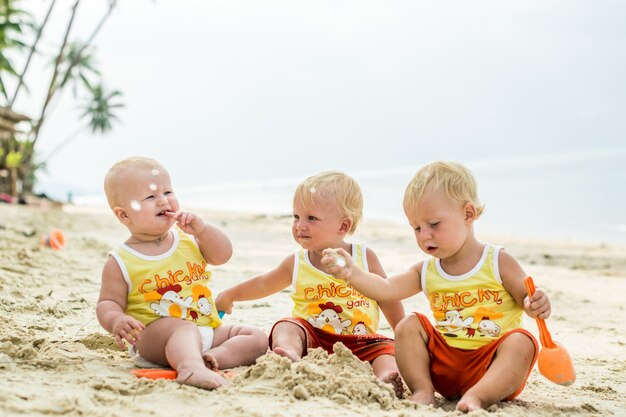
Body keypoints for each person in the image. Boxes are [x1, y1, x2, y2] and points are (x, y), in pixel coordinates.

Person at [321, 161, 550, 412]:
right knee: (409, 324)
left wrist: (535, 303)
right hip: (445, 367)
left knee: (522, 341)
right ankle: (423, 390)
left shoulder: (497, 261)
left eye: (434, 224)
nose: (424, 235)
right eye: (416, 227)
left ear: (468, 214)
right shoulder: (427, 270)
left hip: (491, 368)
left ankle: (477, 398)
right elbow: (386, 289)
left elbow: (526, 300)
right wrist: (352, 273)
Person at [215, 171, 406, 397]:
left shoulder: (364, 258)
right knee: (287, 326)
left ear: (343, 226)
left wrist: (402, 332)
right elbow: (264, 283)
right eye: (296, 217)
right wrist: (231, 295)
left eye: (311, 218)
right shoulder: (297, 262)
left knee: (385, 349)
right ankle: (288, 353)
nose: (300, 226)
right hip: (311, 336)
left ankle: (386, 378)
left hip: (360, 340)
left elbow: (387, 296)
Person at [96, 157, 268, 389]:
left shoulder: (188, 240)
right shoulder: (121, 260)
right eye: (151, 197)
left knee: (255, 337)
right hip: (154, 338)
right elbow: (107, 302)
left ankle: (213, 359)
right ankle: (190, 368)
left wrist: (203, 231)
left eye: (168, 192)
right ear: (124, 215)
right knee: (182, 328)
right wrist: (116, 320)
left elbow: (222, 255)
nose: (163, 201)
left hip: (206, 329)